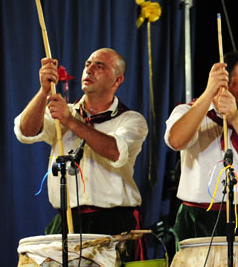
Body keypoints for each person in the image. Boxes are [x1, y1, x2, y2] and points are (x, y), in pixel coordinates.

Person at [14, 48, 148, 243]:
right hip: (67, 220)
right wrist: (44, 91)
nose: (90, 69)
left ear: (117, 80)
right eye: (88, 64)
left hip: (114, 222)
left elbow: (115, 151)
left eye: (100, 66)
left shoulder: (131, 120)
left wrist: (71, 122)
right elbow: (25, 131)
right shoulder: (64, 113)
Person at [165, 50, 238, 239]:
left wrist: (235, 117)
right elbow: (176, 141)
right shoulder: (186, 111)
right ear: (224, 84)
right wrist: (209, 93)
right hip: (199, 217)